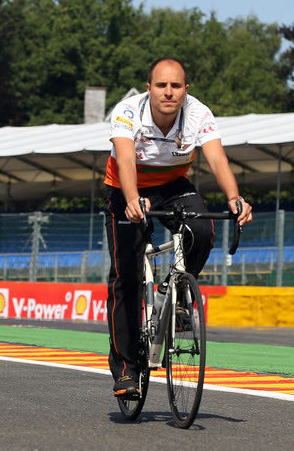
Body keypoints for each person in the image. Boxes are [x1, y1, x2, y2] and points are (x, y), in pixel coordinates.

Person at [103, 57, 253, 398]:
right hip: (126, 186)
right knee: (124, 277)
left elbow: (217, 158)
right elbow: (125, 158)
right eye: (161, 85)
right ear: (149, 89)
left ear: (186, 90)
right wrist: (131, 198)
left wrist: (235, 197)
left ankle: (178, 295)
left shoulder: (199, 114)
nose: (168, 93)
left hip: (173, 185)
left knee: (202, 230)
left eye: (175, 86)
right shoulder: (127, 112)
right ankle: (126, 370)